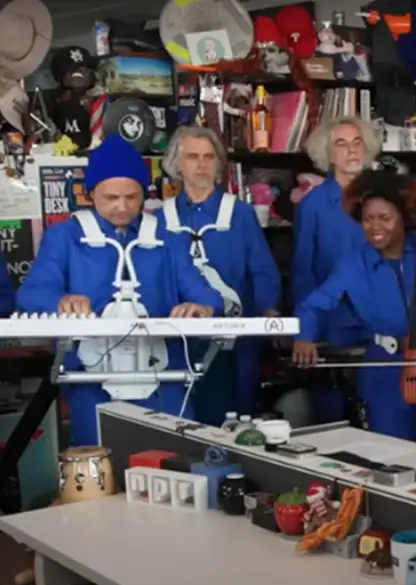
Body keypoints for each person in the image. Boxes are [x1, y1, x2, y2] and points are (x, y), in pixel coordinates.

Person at [17, 136, 222, 446]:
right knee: (99, 460)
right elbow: (30, 294)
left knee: (176, 459)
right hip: (91, 378)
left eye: (132, 196)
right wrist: (60, 301)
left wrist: (202, 307)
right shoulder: (64, 238)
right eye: (111, 197)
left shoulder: (167, 239)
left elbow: (207, 295)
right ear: (91, 193)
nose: (122, 207)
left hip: (164, 379)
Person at [291, 171, 416, 448]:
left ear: (403, 218)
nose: (375, 227)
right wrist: (304, 337)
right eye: (368, 219)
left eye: (385, 218)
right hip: (388, 370)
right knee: (394, 455)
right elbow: (313, 305)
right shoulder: (353, 265)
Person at [157, 126, 281, 424]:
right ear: (177, 165)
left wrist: (269, 310)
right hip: (179, 337)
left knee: (237, 415)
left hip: (237, 336)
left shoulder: (240, 214)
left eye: (209, 157)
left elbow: (261, 268)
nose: (202, 164)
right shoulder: (159, 219)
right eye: (193, 157)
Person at [293, 116, 380, 422]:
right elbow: (303, 271)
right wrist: (304, 333)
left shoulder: (382, 201)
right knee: (332, 421)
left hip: (378, 327)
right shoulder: (312, 206)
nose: (351, 150)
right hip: (331, 329)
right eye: (341, 144)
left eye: (357, 143)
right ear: (328, 154)